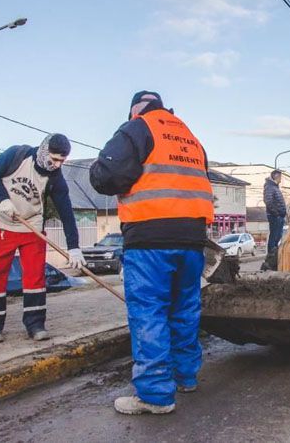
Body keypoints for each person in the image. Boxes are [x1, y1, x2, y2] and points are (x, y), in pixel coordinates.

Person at [90, 91, 214, 415]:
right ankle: (185, 376)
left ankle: (155, 395)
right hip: (191, 239)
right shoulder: (188, 136)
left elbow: (107, 175)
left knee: (149, 312)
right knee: (184, 309)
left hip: (150, 239)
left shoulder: (137, 128)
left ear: (135, 109)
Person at [0, 134, 85, 343]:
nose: (56, 165)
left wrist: (74, 247)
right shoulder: (16, 155)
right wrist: (3, 199)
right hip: (2, 223)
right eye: (54, 159)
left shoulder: (55, 178)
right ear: (44, 151)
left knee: (35, 277)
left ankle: (35, 324)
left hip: (32, 228)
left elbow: (66, 213)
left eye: (61, 161)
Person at [263, 169, 286, 261]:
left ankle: (274, 254)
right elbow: (268, 201)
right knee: (274, 235)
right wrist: (276, 213)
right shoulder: (270, 187)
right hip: (275, 216)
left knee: (277, 236)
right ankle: (271, 256)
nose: (281, 179)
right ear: (276, 176)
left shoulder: (275, 187)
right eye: (280, 176)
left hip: (279, 216)